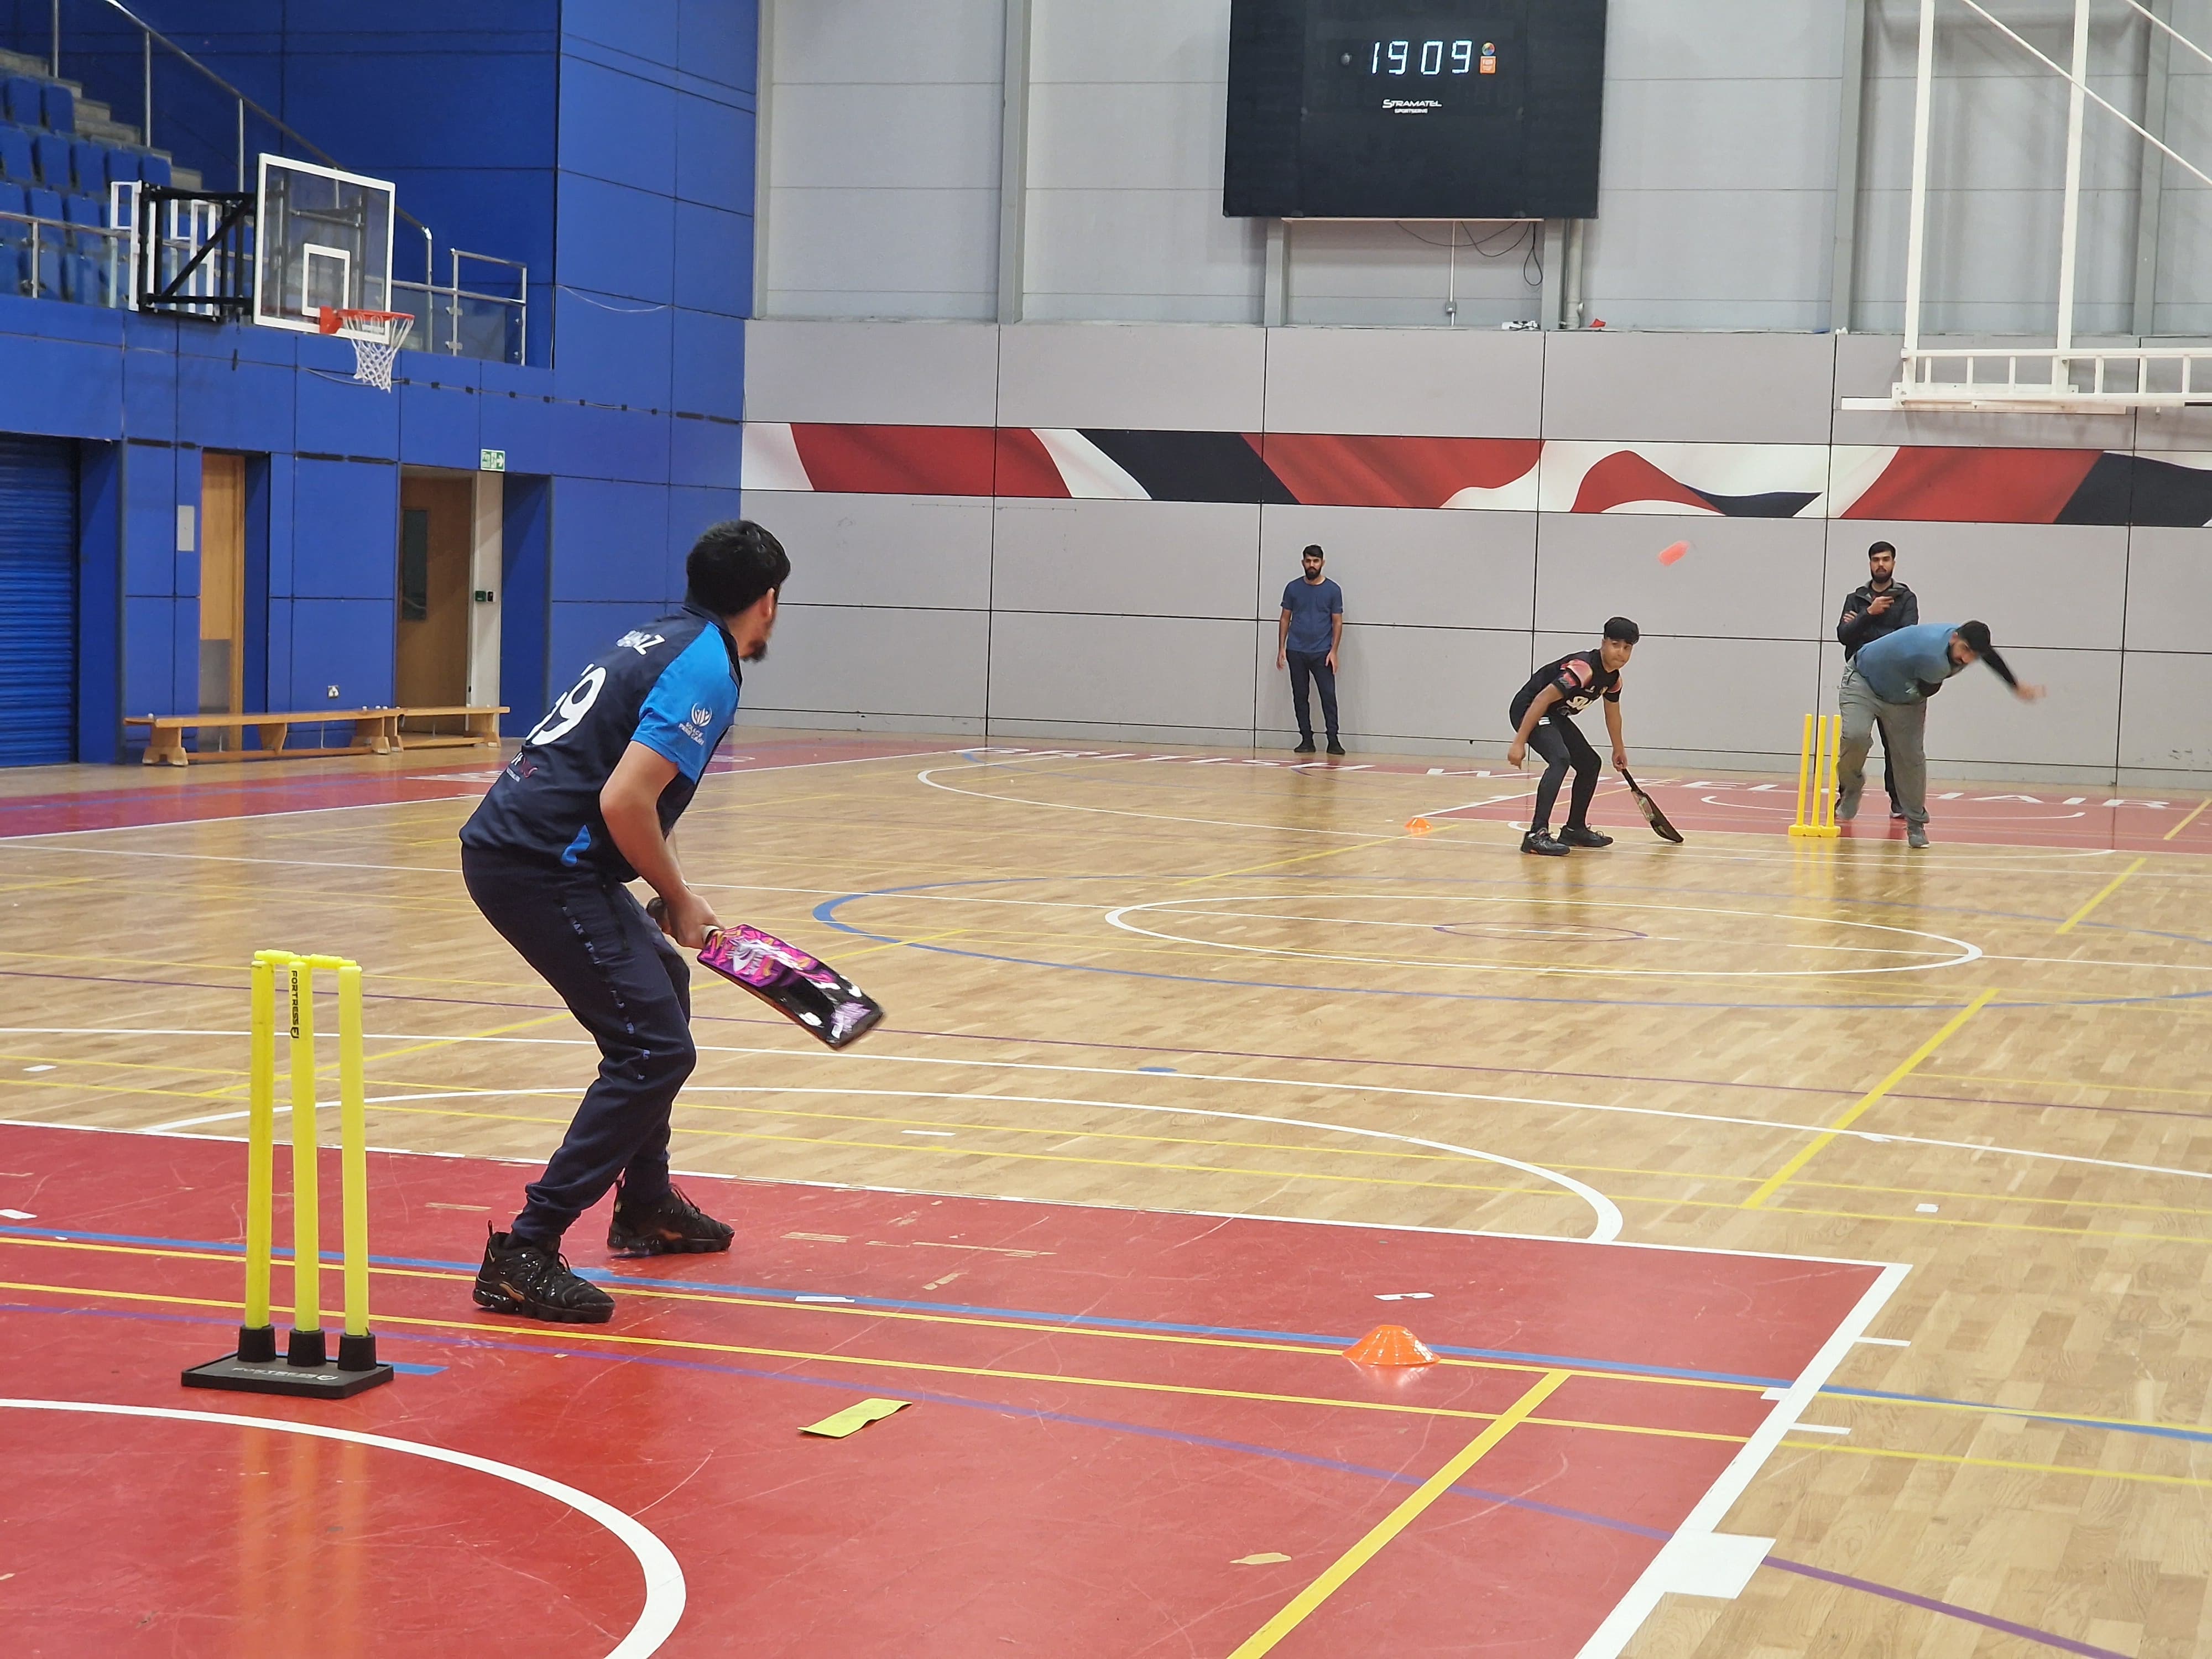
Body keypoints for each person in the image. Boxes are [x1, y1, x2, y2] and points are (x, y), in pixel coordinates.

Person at [457, 519, 790, 1323]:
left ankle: (646, 1205)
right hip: (538, 865)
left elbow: (628, 793)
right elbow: (625, 798)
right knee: (654, 1050)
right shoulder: (706, 665)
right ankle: (526, 1250)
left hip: (544, 855)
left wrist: (668, 890)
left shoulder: (665, 637)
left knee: (664, 987)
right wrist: (677, 895)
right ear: (768, 601)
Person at [1838, 619, 2044, 848]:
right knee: (1855, 736)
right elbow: (1929, 688)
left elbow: (1990, 655)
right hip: (1863, 681)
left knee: (1911, 758)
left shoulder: (1962, 642)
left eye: (1974, 656)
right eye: (1965, 650)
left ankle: (1916, 824)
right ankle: (1852, 787)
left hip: (1904, 697)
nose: (1966, 659)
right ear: (1954, 638)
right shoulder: (1933, 658)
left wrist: (2014, 685)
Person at [1506, 617, 1638, 857]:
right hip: (1530, 709)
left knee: (1590, 763)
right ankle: (1536, 835)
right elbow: (1542, 699)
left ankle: (1575, 829)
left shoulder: (1613, 680)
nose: (1621, 652)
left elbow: (1613, 714)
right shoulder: (1582, 669)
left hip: (1554, 714)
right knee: (1560, 759)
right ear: (1603, 643)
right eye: (1615, 645)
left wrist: (1618, 749)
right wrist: (1519, 742)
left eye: (1627, 648)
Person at [1835, 540, 1919, 819]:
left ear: (1894, 563)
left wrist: (1861, 626)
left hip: (1894, 680)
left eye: (1885, 559)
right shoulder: (1857, 598)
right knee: (1854, 738)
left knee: (1896, 745)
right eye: (1876, 560)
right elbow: (1844, 636)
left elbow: (1906, 638)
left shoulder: (1906, 598)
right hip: (1860, 678)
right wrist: (1869, 613)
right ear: (1870, 563)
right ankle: (1848, 793)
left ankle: (1899, 801)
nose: (1880, 565)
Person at [1276, 544, 1345, 756]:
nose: (1312, 565)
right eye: (1308, 561)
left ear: (1322, 563)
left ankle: (1333, 740)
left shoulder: (1333, 590)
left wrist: (1334, 651)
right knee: (1300, 696)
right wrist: (1281, 648)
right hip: (1296, 651)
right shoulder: (1293, 588)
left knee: (1328, 696)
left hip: (1322, 653)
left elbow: (1337, 622)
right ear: (1303, 563)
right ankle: (1306, 739)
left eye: (1316, 561)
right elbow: (1285, 618)